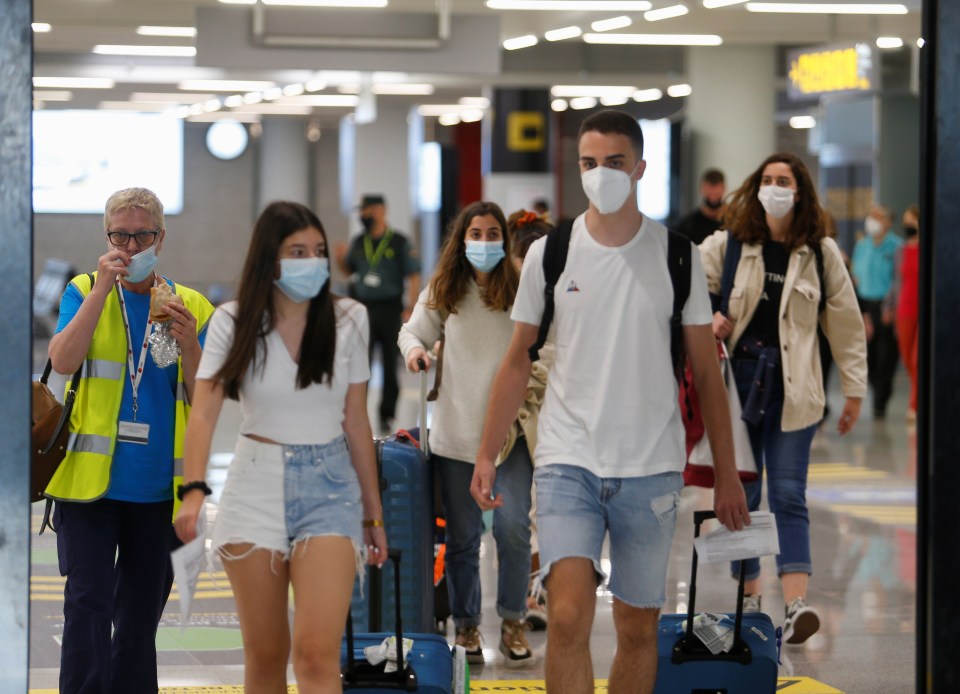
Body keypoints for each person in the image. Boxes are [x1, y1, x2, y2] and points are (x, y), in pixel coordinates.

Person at [473, 110, 749, 694]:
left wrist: (727, 473)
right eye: (589, 164)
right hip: (567, 460)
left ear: (641, 167)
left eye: (615, 163)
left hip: (651, 468)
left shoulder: (678, 257)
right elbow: (517, 358)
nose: (601, 175)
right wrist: (484, 454)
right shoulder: (552, 255)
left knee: (636, 626)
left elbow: (704, 369)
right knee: (568, 615)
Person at [174, 201, 388, 693]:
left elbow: (357, 421)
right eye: (297, 251)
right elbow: (204, 411)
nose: (311, 261)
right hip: (253, 486)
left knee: (315, 655)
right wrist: (194, 489)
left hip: (331, 488)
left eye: (317, 251)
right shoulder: (234, 322)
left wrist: (373, 515)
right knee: (265, 655)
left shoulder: (348, 318)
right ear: (270, 258)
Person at [46, 187, 216, 694]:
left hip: (159, 495)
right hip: (88, 488)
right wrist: (100, 291)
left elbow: (207, 396)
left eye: (142, 235)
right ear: (106, 237)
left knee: (139, 622)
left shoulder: (190, 307)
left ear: (160, 238)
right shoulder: (81, 290)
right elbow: (62, 360)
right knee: (87, 611)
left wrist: (188, 344)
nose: (130, 245)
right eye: (120, 235)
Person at [699, 152, 868, 645]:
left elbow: (846, 324)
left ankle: (795, 606)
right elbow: (688, 289)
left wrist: (853, 390)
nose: (774, 187)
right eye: (767, 180)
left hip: (795, 387)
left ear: (800, 192)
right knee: (742, 497)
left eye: (784, 181)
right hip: (737, 385)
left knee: (790, 494)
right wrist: (711, 314)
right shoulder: (728, 245)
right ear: (756, 188)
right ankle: (749, 603)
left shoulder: (819, 252)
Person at [398, 201, 535, 666]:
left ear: (505, 238)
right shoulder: (445, 287)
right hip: (456, 433)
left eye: (492, 233)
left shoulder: (521, 287)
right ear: (461, 240)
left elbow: (546, 341)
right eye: (474, 234)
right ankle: (467, 623)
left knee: (514, 530)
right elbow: (412, 330)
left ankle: (515, 618)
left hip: (510, 436)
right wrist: (417, 350)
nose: (483, 242)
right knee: (462, 537)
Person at [505, 209, 554, 631]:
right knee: (518, 511)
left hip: (554, 411)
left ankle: (536, 591)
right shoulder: (502, 294)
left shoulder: (562, 289)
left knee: (544, 505)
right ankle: (527, 592)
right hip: (511, 414)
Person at [335, 194, 421, 433]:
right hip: (363, 308)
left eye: (367, 211)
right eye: (361, 212)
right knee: (360, 364)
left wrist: (411, 307)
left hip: (390, 307)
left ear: (381, 211)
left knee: (390, 365)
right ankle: (356, 413)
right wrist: (340, 258)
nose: (363, 216)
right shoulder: (359, 242)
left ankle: (386, 415)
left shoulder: (398, 241)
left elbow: (413, 275)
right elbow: (348, 271)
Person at [851, 203, 903, 419]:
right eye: (870, 215)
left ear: (888, 222)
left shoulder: (896, 246)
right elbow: (855, 278)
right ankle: (877, 390)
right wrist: (861, 313)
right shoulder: (862, 245)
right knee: (868, 357)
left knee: (886, 356)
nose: (871, 220)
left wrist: (891, 307)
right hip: (865, 306)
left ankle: (881, 400)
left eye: (877, 216)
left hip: (887, 306)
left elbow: (898, 280)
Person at [894, 204, 921, 420]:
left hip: (923, 310)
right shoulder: (902, 250)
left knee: (916, 359)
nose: (907, 224)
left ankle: (915, 404)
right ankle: (920, 393)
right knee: (906, 357)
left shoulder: (928, 249)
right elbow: (897, 281)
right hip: (904, 308)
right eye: (905, 220)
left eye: (911, 220)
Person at [674, 168, 727, 245]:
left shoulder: (735, 223)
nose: (713, 197)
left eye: (717, 194)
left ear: (723, 189)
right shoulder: (687, 225)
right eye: (710, 193)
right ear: (702, 189)